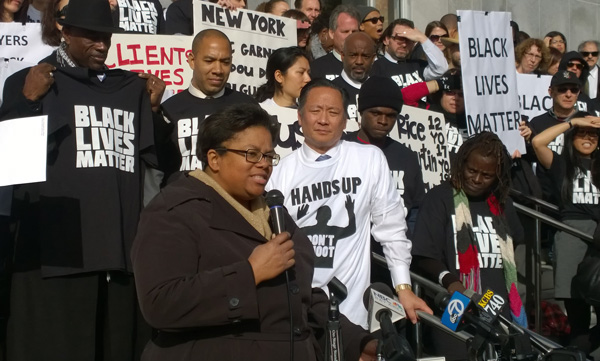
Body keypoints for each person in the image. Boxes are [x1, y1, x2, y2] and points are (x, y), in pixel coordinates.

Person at [132, 103, 376, 361]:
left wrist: (355, 342)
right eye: (251, 154)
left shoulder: (275, 215)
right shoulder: (175, 210)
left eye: (269, 156)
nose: (264, 165)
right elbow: (160, 304)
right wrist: (249, 274)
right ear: (214, 159)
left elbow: (298, 295)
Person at [0, 0, 165, 359]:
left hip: (118, 254)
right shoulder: (27, 83)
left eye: (105, 36)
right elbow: (8, 166)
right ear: (65, 31)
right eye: (91, 36)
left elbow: (163, 165)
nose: (102, 45)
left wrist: (154, 111)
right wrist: (28, 103)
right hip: (54, 255)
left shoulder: (131, 90)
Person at [267, 79, 433, 329]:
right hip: (297, 314)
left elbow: (391, 228)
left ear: (345, 120)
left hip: (352, 316)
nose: (323, 120)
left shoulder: (368, 159)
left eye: (333, 112)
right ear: (300, 117)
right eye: (315, 111)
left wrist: (403, 287)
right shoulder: (279, 173)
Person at [411, 131, 526, 360]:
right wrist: (450, 280)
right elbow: (423, 254)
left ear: (498, 176)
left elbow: (517, 244)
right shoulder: (440, 197)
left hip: (499, 311)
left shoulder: (503, 203)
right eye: (472, 170)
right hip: (456, 310)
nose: (476, 179)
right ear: (461, 164)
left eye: (486, 175)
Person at [531, 114, 600, 356]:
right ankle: (574, 353)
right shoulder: (562, 165)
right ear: (572, 139)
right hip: (571, 236)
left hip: (598, 238)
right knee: (578, 315)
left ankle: (574, 353)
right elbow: (538, 142)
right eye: (583, 134)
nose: (588, 138)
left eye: (593, 135)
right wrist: (574, 123)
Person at [158, 29, 257, 183]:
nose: (218, 70)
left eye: (225, 62)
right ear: (192, 60)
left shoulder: (248, 107)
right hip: (182, 202)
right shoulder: (168, 110)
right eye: (209, 61)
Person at [255, 46, 310, 156]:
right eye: (300, 72)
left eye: (308, 73)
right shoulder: (259, 112)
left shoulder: (310, 114)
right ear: (279, 76)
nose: (308, 79)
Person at [372, 18, 448, 88]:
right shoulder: (376, 67)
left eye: (409, 39)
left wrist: (422, 38)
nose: (404, 44)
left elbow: (441, 69)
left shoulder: (418, 66)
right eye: (400, 39)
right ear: (386, 40)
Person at [309, 4, 359, 81]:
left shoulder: (370, 67)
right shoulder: (316, 68)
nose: (350, 36)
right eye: (345, 31)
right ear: (332, 33)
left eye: (354, 31)